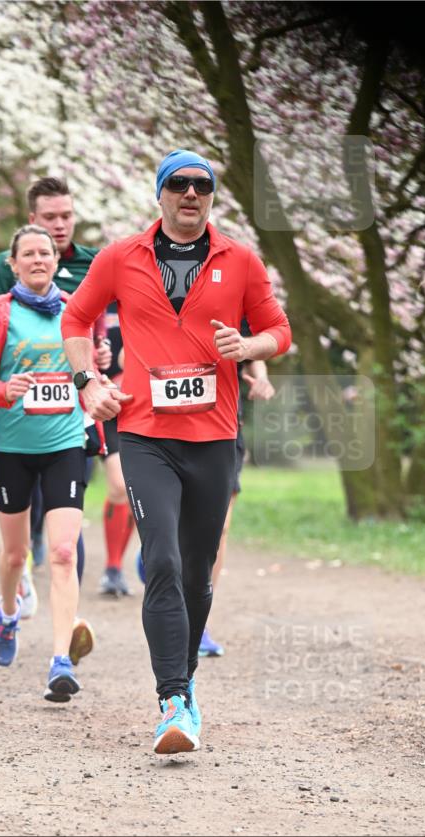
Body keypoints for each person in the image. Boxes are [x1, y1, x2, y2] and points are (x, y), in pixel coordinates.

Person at [62, 149, 292, 753]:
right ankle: (172, 701)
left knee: (197, 571)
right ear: (160, 194)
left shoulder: (239, 259)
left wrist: (248, 346)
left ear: (212, 196)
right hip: (142, 434)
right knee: (160, 560)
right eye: (179, 184)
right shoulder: (120, 256)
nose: (191, 194)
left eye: (202, 186)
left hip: (215, 438)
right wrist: (90, 385)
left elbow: (281, 331)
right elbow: (75, 320)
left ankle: (183, 684)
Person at [0, 224, 92, 701]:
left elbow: (89, 369)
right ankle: (9, 612)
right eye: (28, 254)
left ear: (57, 261)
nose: (38, 260)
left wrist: (96, 369)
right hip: (12, 449)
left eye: (45, 253)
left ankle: (59, 661)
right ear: (12, 264)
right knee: (15, 555)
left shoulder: (77, 312)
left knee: (63, 552)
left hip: (66, 444)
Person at [0, 177, 110, 615]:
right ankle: (22, 576)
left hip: (76, 406)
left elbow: (100, 322)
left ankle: (69, 622)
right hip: (20, 414)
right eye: (49, 217)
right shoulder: (6, 263)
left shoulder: (94, 263)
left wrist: (101, 352)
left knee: (69, 516)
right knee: (28, 518)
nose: (59, 224)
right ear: (32, 219)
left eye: (66, 216)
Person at [198, 353, 275, 657]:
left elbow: (255, 345)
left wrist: (262, 376)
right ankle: (159, 549)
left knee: (219, 528)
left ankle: (199, 620)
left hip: (226, 426)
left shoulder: (236, 305)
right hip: (171, 427)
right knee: (177, 523)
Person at [98, 305, 135, 597]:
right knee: (119, 485)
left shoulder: (143, 293)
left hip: (140, 403)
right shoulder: (95, 298)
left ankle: (120, 566)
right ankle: (112, 568)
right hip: (105, 405)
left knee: (139, 490)